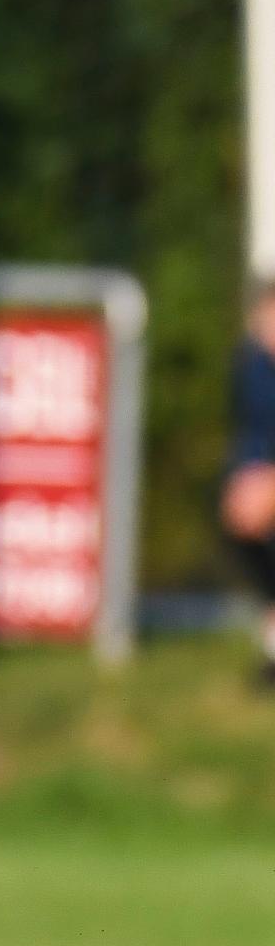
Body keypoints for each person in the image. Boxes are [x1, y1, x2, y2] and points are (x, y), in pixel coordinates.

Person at [221, 280, 275, 684]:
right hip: (257, 480)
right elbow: (250, 432)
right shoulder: (250, 366)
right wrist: (247, 476)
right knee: (238, 520)